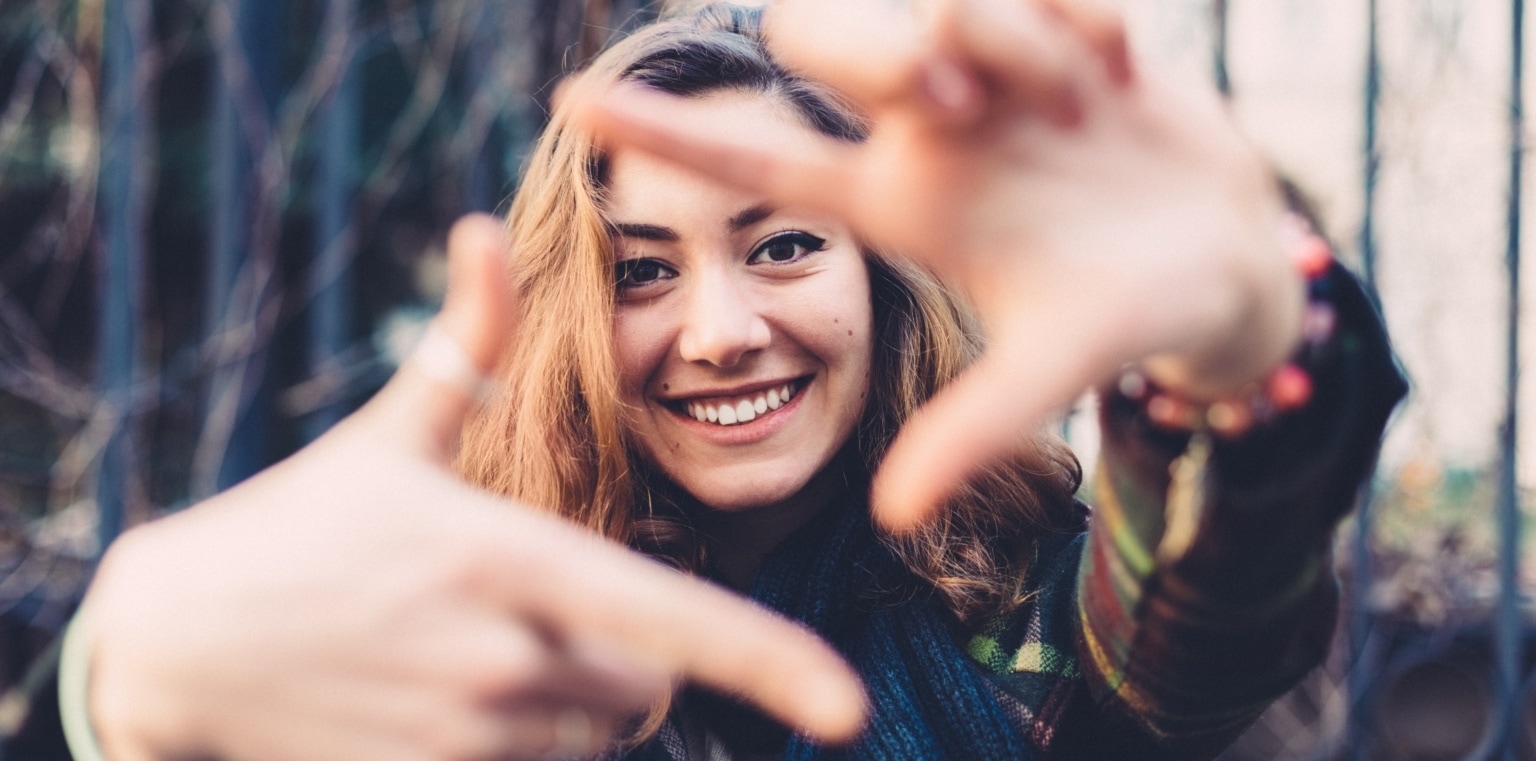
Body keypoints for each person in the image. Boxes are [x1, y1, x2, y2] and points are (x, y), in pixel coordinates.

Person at [52, 0, 1406, 759]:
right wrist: (108, 701)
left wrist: (1245, 356)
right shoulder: (467, 640)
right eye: (641, 270)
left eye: (785, 248)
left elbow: (1203, 613)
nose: (719, 330)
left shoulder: (1032, 605)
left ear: (880, 275)